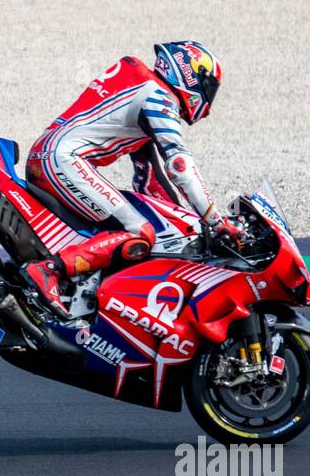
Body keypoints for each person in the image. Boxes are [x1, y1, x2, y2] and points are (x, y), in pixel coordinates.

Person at [23, 41, 243, 318]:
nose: (208, 101)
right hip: (63, 160)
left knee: (138, 224)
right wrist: (216, 221)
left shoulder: (142, 91)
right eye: (208, 87)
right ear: (191, 74)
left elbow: (149, 179)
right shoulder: (159, 98)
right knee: (140, 233)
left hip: (53, 155)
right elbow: (178, 165)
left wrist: (186, 223)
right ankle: (48, 271)